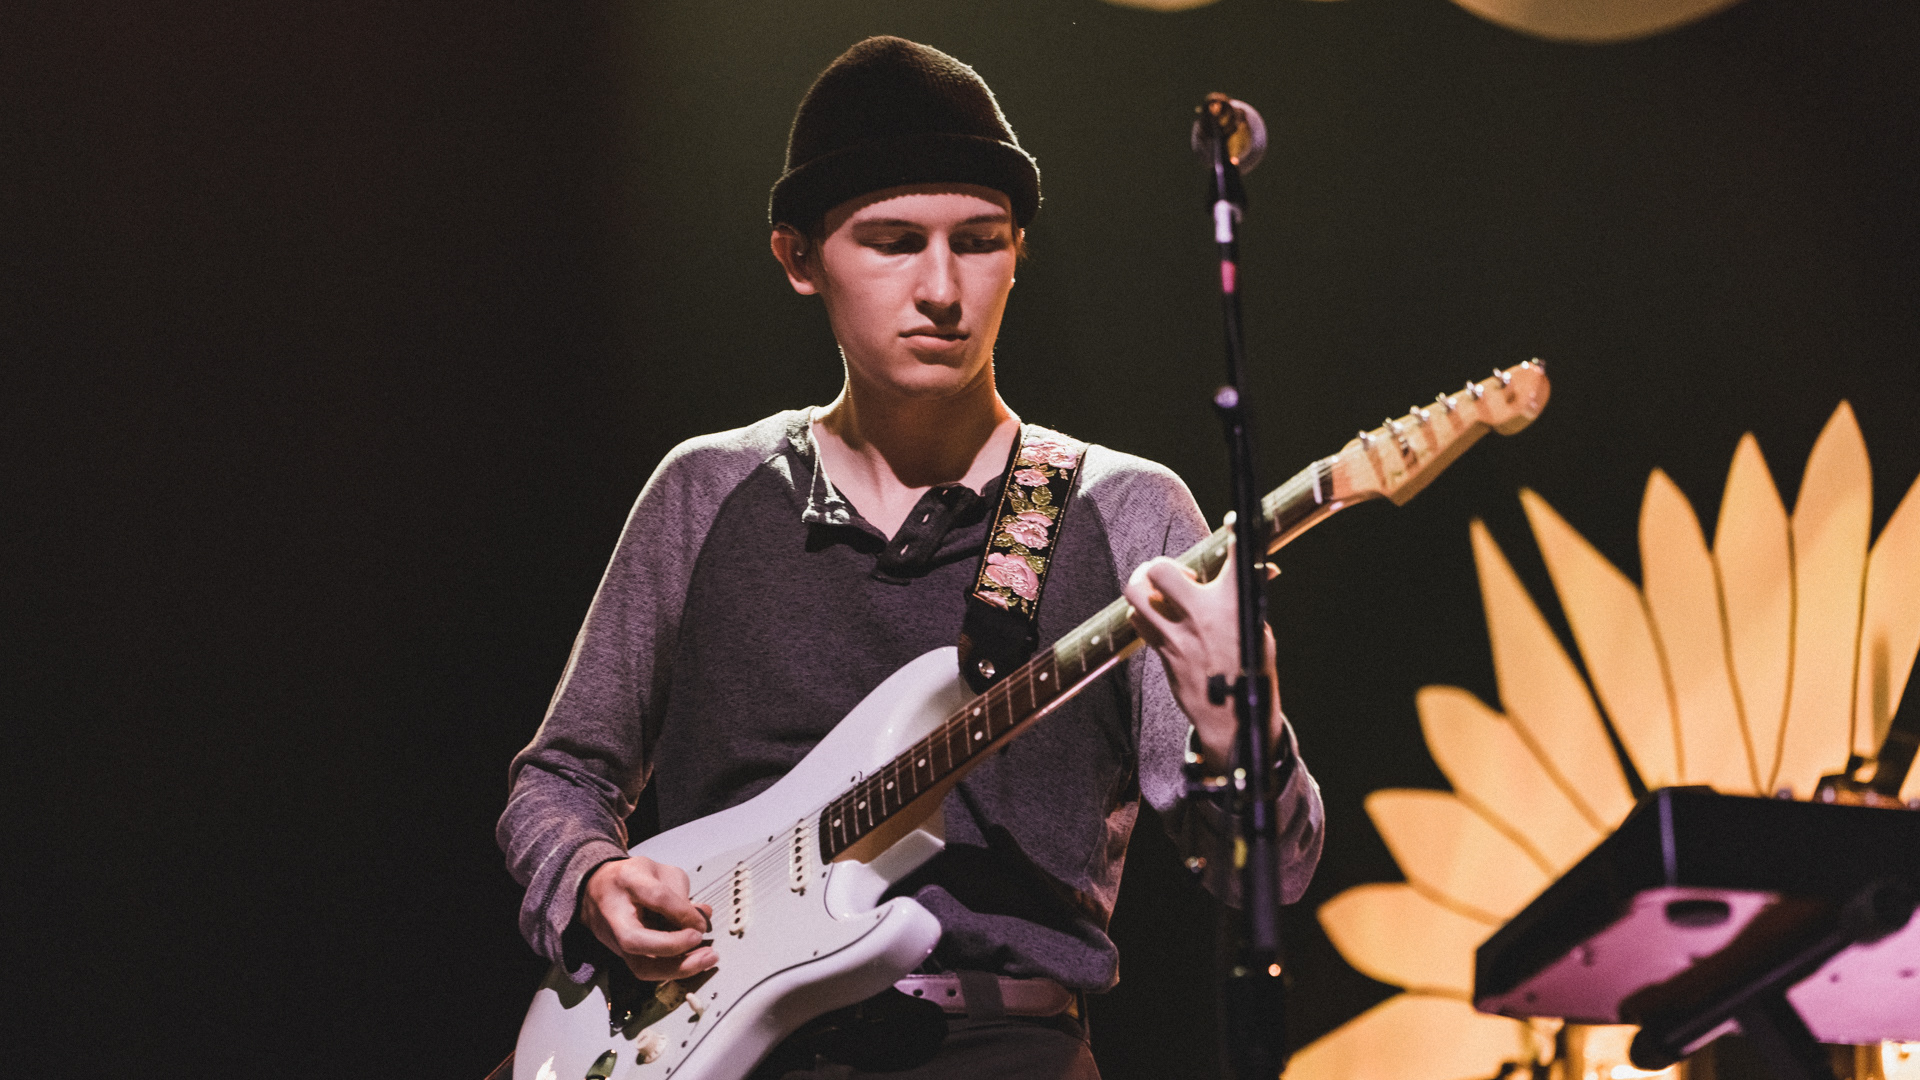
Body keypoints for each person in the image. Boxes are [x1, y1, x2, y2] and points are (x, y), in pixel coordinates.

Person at [498, 35, 1323, 1080]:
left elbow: (1276, 872)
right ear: (798, 258)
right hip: (709, 1044)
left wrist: (1234, 729)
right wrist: (589, 879)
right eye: (893, 242)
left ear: (1019, 250)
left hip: (1003, 1046)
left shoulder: (1126, 511)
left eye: (979, 240)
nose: (943, 288)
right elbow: (562, 777)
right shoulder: (705, 492)